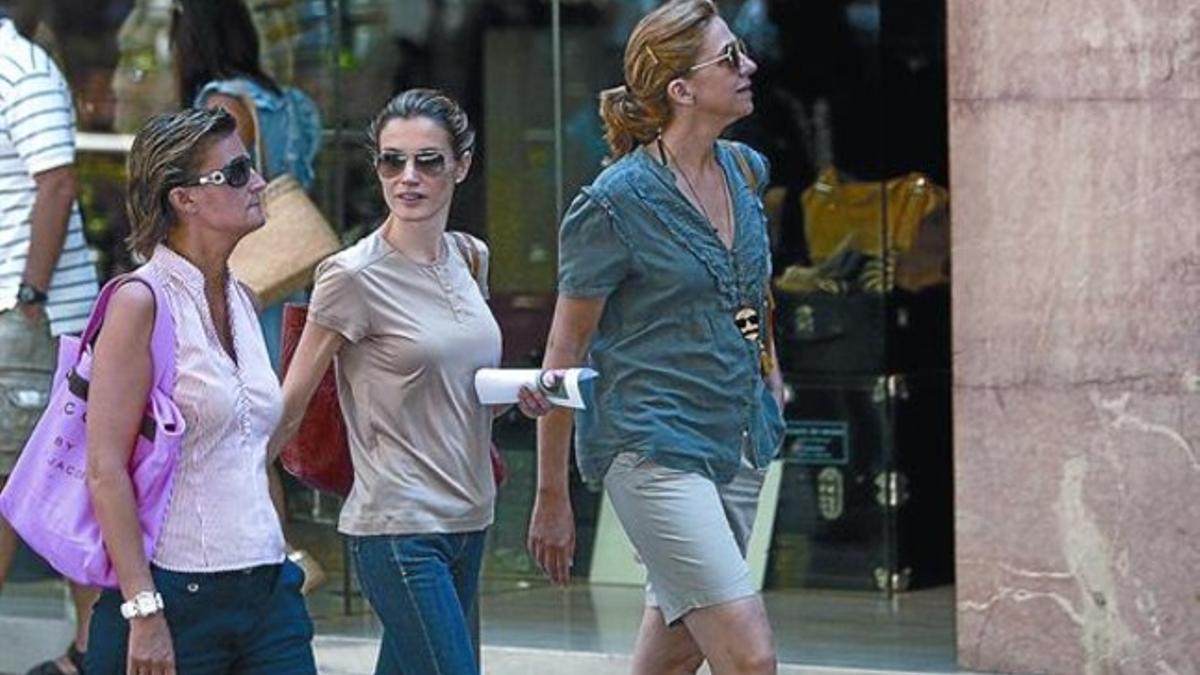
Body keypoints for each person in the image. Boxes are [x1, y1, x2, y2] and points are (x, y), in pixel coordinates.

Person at [527, 1, 785, 674]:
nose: (748, 65)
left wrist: (770, 373)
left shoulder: (745, 172)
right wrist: (552, 493)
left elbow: (753, 287)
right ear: (680, 88)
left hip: (736, 439)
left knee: (674, 652)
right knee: (749, 655)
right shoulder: (612, 205)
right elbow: (564, 355)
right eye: (729, 57)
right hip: (651, 445)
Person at [273, 88, 553, 675]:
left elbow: (458, 394)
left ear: (461, 165)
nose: (408, 177)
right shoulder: (351, 276)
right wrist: (234, 496)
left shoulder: (470, 257)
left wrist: (515, 399)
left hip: (471, 515)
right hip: (397, 525)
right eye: (391, 160)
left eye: (428, 160)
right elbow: (291, 404)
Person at [84, 108, 316, 675]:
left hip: (267, 590)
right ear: (184, 198)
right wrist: (143, 610)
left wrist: (282, 553)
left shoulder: (242, 297)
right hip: (175, 592)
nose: (259, 183)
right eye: (236, 173)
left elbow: (250, 450)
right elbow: (104, 468)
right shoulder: (141, 302)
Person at [170, 0, 326, 588]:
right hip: (290, 276)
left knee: (240, 428)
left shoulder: (220, 103)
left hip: (247, 280)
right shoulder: (288, 103)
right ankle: (271, 558)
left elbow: (212, 200)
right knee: (260, 423)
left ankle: (277, 559)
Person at [0, 2, 101, 673]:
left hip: (29, 320)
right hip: (21, 314)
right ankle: (91, 652)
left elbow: (57, 182)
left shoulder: (20, 68)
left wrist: (28, 300)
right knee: (60, 485)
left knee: (29, 485)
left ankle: (94, 649)